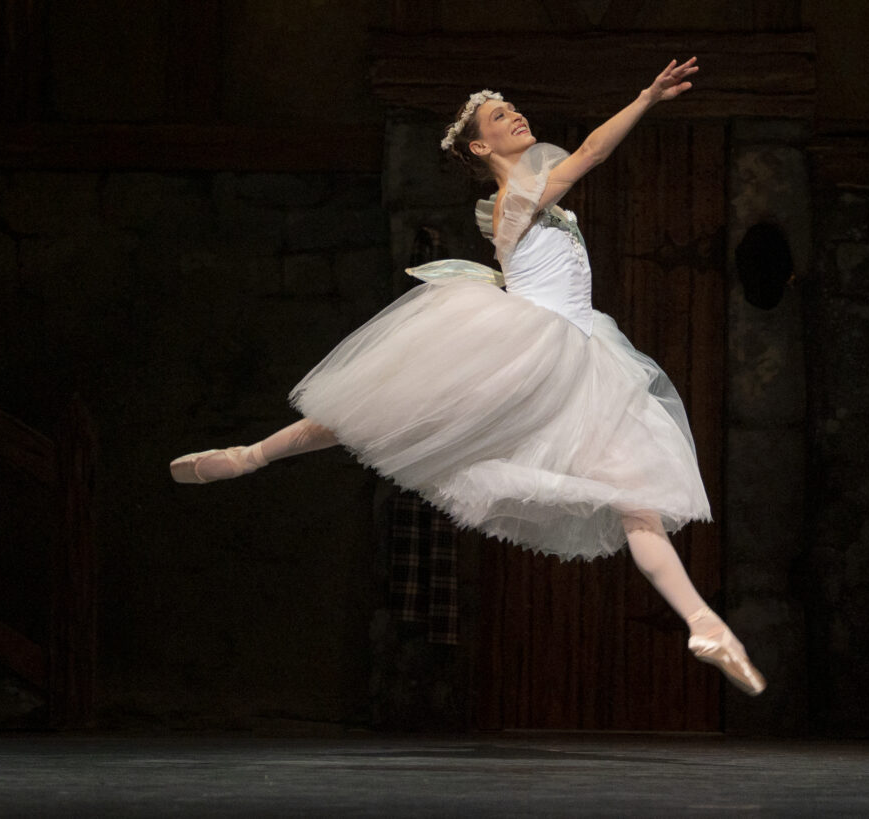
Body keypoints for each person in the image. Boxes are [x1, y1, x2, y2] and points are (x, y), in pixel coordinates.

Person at [170, 58, 766, 696]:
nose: (516, 115)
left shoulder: (535, 197)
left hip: (583, 353)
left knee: (635, 501)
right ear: (482, 145)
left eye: (513, 107)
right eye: (500, 115)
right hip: (525, 343)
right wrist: (646, 97)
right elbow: (592, 152)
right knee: (383, 411)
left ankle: (704, 623)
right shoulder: (516, 197)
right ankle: (249, 455)